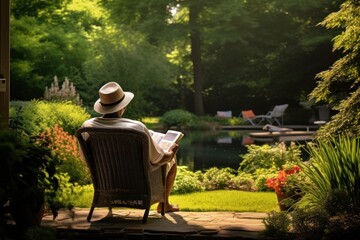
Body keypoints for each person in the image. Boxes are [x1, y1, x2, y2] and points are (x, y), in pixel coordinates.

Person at [82, 82, 179, 213]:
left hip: (108, 181)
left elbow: (85, 159)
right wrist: (171, 152)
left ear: (102, 106)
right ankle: (164, 205)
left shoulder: (87, 127)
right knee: (171, 160)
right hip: (137, 184)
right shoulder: (136, 128)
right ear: (123, 106)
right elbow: (158, 159)